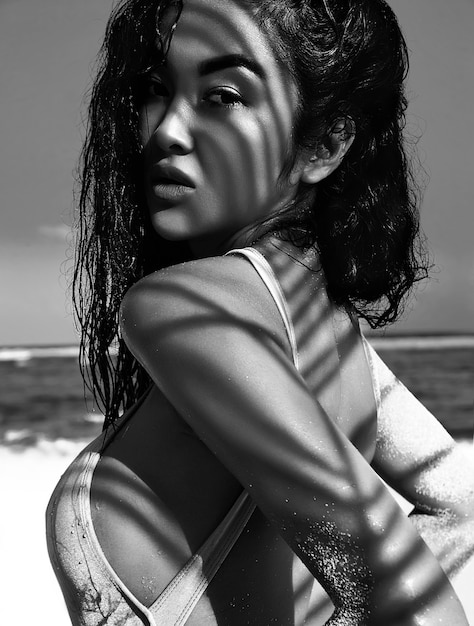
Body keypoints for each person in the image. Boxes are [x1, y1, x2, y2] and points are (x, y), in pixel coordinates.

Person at [46, 0, 474, 624]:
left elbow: (416, 604)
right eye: (157, 90)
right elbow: (458, 506)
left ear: (323, 145)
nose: (166, 129)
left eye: (222, 96)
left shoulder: (180, 308)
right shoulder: (337, 344)